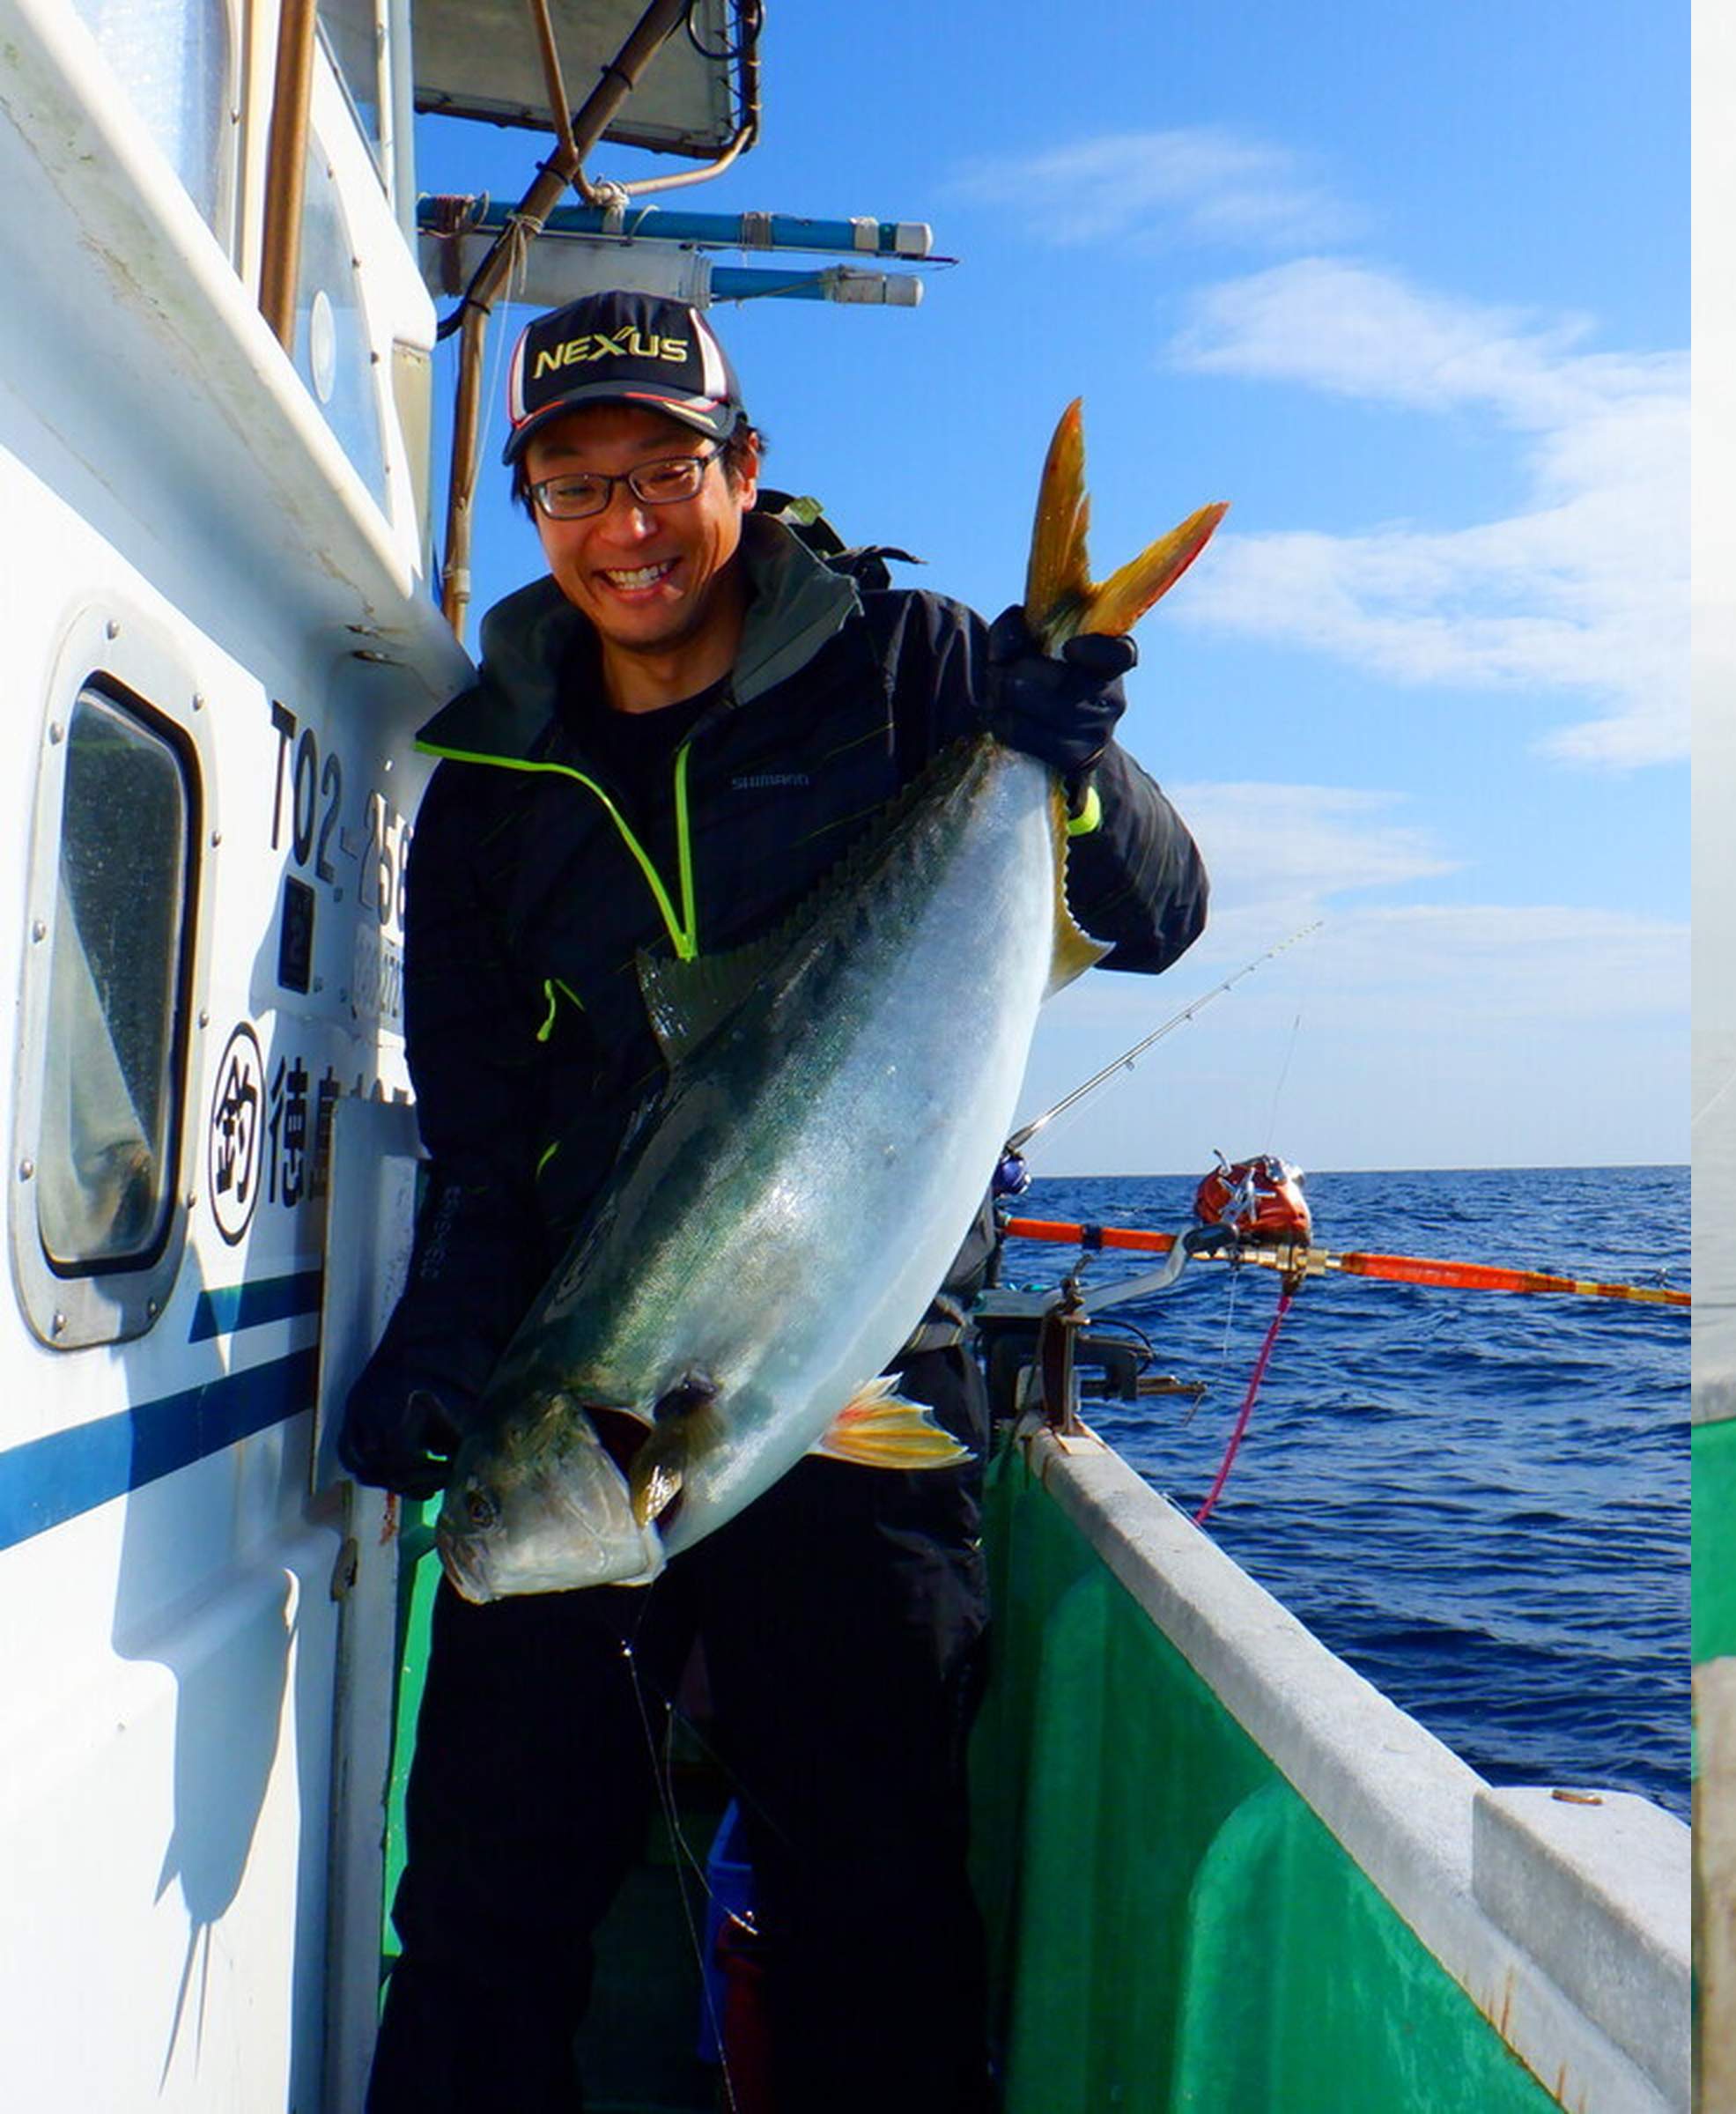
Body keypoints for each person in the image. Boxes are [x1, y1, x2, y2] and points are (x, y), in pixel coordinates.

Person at [336, 288, 1209, 2112]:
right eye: (572, 485)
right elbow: (489, 1145)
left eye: (665, 468)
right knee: (486, 1902)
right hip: (599, 1350)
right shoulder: (490, 778)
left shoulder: (910, 669)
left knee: (874, 1908)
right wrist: (441, 1338)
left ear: (745, 471)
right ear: (529, 508)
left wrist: (1068, 752)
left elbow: (1158, 915)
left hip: (873, 1358)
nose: (626, 524)